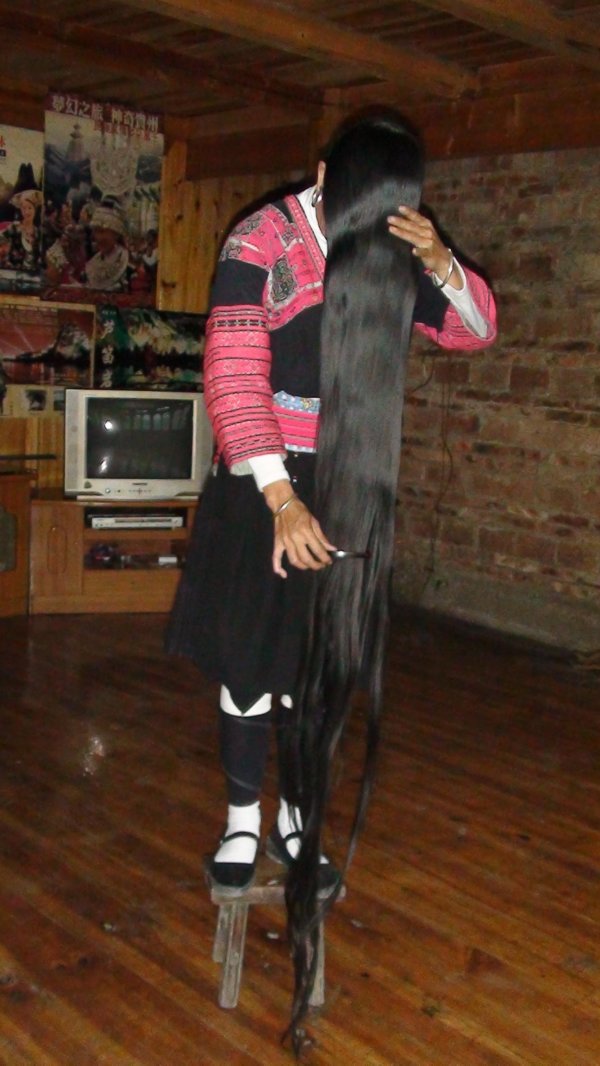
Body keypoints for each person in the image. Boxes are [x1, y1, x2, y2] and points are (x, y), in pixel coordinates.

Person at [166, 113, 497, 993]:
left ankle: (297, 819)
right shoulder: (260, 241)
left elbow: (473, 330)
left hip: (349, 481)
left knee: (320, 666)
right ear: (322, 176)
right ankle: (243, 818)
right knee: (251, 657)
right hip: (261, 480)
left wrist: (441, 262)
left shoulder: (395, 242)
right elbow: (233, 372)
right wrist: (280, 501)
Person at [0, 188, 43, 274]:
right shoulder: (15, 227)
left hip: (32, 276)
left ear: (35, 210)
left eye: (30, 208)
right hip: (12, 273)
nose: (26, 212)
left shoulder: (38, 232)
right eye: (24, 208)